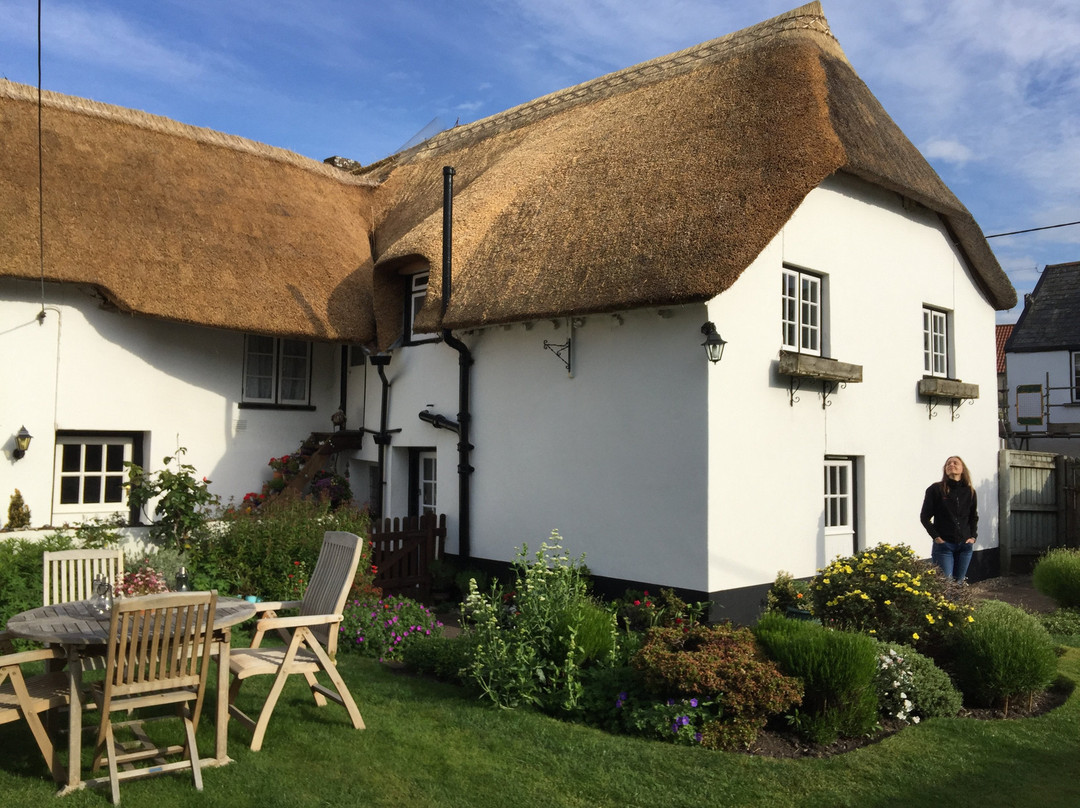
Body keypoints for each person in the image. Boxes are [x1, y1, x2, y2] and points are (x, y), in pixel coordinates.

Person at [920, 455, 978, 583]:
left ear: (962, 469)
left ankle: (958, 604)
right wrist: (937, 537)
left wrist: (973, 537)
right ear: (945, 470)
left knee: (959, 583)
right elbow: (924, 517)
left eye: (955, 463)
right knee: (945, 584)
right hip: (944, 546)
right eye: (948, 464)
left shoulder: (970, 492)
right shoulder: (935, 489)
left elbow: (973, 517)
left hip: (965, 545)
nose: (951, 465)